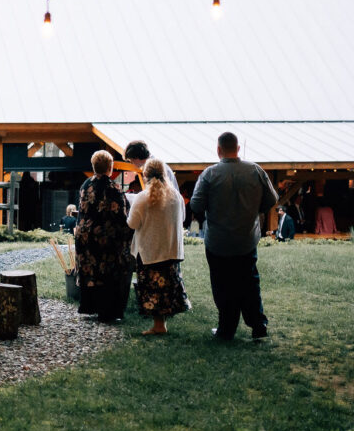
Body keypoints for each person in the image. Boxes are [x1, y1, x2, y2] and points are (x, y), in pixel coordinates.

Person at [189, 132, 277, 340]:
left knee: (222, 284)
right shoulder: (255, 170)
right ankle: (258, 325)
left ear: (218, 150)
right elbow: (272, 199)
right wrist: (255, 211)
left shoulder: (209, 174)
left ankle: (226, 329)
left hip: (218, 241)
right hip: (246, 239)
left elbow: (196, 204)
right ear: (238, 149)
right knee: (249, 282)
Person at [127, 159, 188, 335]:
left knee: (152, 290)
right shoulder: (176, 196)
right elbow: (182, 218)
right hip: (170, 249)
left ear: (144, 175)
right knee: (166, 287)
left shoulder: (142, 197)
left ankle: (158, 325)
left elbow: (132, 224)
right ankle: (161, 324)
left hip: (150, 250)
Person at [74, 150, 134, 323]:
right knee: (107, 271)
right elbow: (120, 215)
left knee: (90, 271)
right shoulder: (112, 187)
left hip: (84, 235)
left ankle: (89, 305)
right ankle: (107, 311)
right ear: (110, 167)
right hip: (104, 237)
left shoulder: (86, 184)